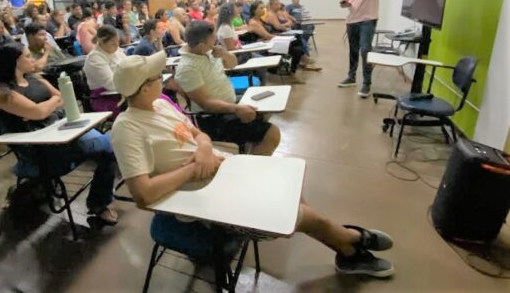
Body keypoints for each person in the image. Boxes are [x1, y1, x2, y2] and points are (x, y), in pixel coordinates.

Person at [110, 51, 395, 279]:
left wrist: (206, 149)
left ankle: (348, 248)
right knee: (300, 214)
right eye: (158, 77)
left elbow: (198, 133)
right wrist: (193, 168)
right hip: (203, 200)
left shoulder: (159, 105)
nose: (164, 79)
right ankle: (353, 240)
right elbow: (143, 195)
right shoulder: (128, 129)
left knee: (292, 191)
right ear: (145, 87)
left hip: (226, 173)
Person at [0, 43, 118, 225]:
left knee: (110, 147)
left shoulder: (35, 79)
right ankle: (98, 204)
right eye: (28, 56)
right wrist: (46, 107)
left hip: (60, 130)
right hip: (39, 147)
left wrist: (42, 108)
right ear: (15, 62)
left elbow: (62, 96)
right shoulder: (2, 93)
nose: (33, 59)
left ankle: (98, 202)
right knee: (109, 149)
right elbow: (39, 112)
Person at [175, 21, 281, 154]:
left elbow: (233, 64)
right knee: (272, 134)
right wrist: (236, 109)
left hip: (230, 104)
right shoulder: (187, 68)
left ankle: (248, 152)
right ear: (202, 45)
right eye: (212, 38)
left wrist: (225, 54)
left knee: (267, 108)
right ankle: (251, 168)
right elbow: (206, 103)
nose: (216, 39)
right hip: (214, 118)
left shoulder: (208, 52)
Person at [339, 0, 407, 97]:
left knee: (365, 51)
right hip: (351, 20)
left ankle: (366, 83)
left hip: (368, 20)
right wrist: (344, 4)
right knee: (353, 51)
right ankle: (351, 77)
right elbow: (344, 1)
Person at [246, 1, 304, 81]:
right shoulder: (254, 23)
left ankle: (290, 70)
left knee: (296, 44)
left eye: (264, 8)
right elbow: (267, 36)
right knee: (295, 50)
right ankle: (285, 71)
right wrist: (282, 38)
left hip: (269, 42)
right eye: (261, 8)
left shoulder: (260, 20)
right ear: (254, 10)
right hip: (263, 48)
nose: (263, 10)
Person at [83, 25, 126, 94]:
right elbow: (111, 84)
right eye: (113, 43)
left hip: (123, 89)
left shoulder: (117, 51)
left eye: (118, 41)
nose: (117, 45)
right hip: (106, 97)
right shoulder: (94, 58)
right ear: (102, 42)